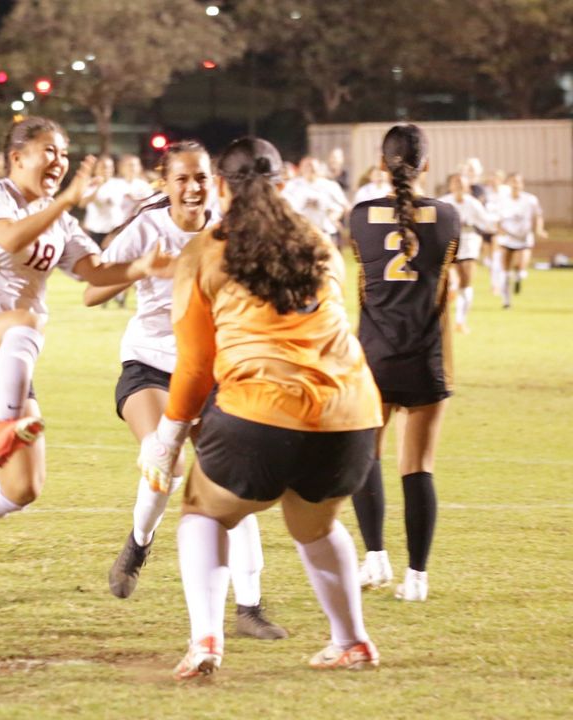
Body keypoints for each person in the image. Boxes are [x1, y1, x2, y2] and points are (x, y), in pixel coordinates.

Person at [141, 136, 382, 679]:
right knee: (316, 527)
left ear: (220, 187)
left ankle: (206, 640)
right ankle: (352, 641)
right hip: (348, 415)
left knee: (203, 510)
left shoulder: (205, 250)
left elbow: (196, 365)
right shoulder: (319, 242)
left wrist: (167, 439)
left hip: (261, 412)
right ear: (283, 182)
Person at [0, 117, 167, 577]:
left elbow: (94, 272)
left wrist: (142, 266)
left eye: (64, 153)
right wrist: (68, 199)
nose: (59, 161)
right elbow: (12, 237)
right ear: (17, 157)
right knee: (28, 320)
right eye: (48, 150)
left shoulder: (60, 220)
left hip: (9, 361)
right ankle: (7, 425)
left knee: (23, 487)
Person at [84, 140, 286, 640]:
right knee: (165, 461)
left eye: (200, 178)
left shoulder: (228, 228)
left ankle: (250, 607)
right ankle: (139, 541)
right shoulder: (146, 228)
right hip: (150, 363)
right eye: (182, 179)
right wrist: (140, 268)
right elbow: (92, 291)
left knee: (233, 480)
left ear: (213, 181)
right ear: (166, 183)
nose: (193, 188)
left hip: (211, 369)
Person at [349, 124, 459, 603]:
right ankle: (416, 578)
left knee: (365, 458)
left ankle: (375, 558)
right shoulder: (449, 216)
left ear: (381, 162)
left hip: (373, 356)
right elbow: (446, 278)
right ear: (426, 164)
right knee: (418, 467)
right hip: (425, 356)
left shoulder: (359, 216)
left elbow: (365, 275)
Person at [438, 173, 494, 332]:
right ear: (450, 186)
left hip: (469, 245)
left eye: (462, 184)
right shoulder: (443, 202)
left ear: (467, 187)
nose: (459, 186)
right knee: (448, 282)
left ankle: (461, 321)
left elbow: (486, 223)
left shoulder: (473, 203)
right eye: (456, 183)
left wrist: (491, 226)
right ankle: (443, 313)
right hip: (448, 246)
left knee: (466, 282)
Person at [494, 173, 545, 307]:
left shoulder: (530, 200)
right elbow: (497, 219)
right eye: (513, 182)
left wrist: (539, 229)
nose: (515, 185)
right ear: (508, 184)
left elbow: (538, 215)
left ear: (522, 184)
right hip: (507, 238)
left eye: (518, 182)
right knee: (505, 271)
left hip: (523, 239)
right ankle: (506, 301)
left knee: (521, 267)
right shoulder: (502, 200)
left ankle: (518, 277)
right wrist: (498, 229)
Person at [283, 156, 348, 246]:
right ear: (301, 169)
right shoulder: (292, 185)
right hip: (301, 233)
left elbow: (343, 205)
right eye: (307, 167)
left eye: (313, 168)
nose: (310, 169)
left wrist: (334, 215)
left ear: (318, 169)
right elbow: (283, 205)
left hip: (324, 233)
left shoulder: (330, 185)